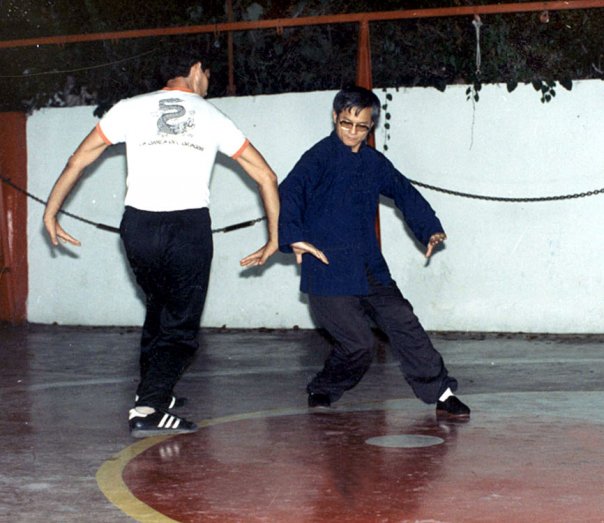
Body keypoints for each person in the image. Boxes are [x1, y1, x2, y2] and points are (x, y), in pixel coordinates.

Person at [43, 57, 280, 437]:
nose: (208, 82)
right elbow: (266, 176)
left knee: (160, 307)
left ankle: (154, 389)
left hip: (138, 227)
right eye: (208, 74)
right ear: (197, 68)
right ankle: (148, 409)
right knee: (181, 326)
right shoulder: (212, 116)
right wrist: (274, 237)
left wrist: (50, 214)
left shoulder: (129, 108)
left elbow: (79, 159)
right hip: (187, 228)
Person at [278, 85, 470, 418]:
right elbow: (289, 193)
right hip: (327, 270)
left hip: (369, 268)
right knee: (359, 345)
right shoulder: (318, 158)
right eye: (345, 124)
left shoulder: (373, 162)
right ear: (335, 118)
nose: (352, 133)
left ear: (371, 126)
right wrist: (293, 236)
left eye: (361, 126)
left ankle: (441, 391)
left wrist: (429, 227)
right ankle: (324, 386)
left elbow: (403, 192)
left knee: (404, 321)